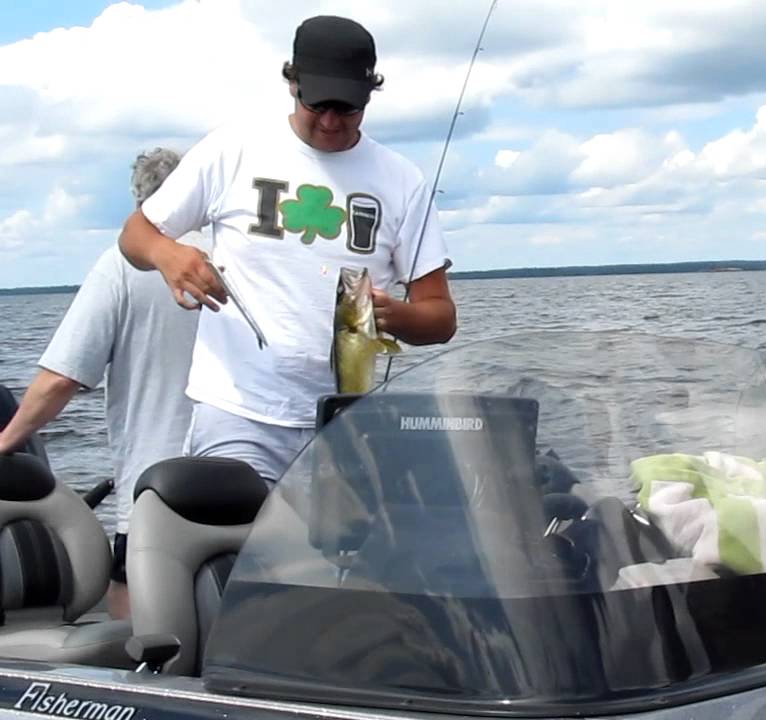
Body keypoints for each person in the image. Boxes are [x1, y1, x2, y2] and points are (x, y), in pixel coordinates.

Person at [118, 15, 457, 484]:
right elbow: (135, 235)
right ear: (292, 84)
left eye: (349, 108)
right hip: (239, 413)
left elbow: (440, 318)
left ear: (370, 95)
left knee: (337, 557)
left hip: (348, 425)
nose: (331, 121)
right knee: (240, 551)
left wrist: (391, 316)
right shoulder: (233, 149)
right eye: (317, 104)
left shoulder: (402, 181)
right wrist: (168, 255)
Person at [0, 148, 204, 620]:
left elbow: (61, 378)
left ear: (140, 205)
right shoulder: (235, 258)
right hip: (246, 477)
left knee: (133, 614)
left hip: (156, 487)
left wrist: (8, 440)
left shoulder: (124, 265)